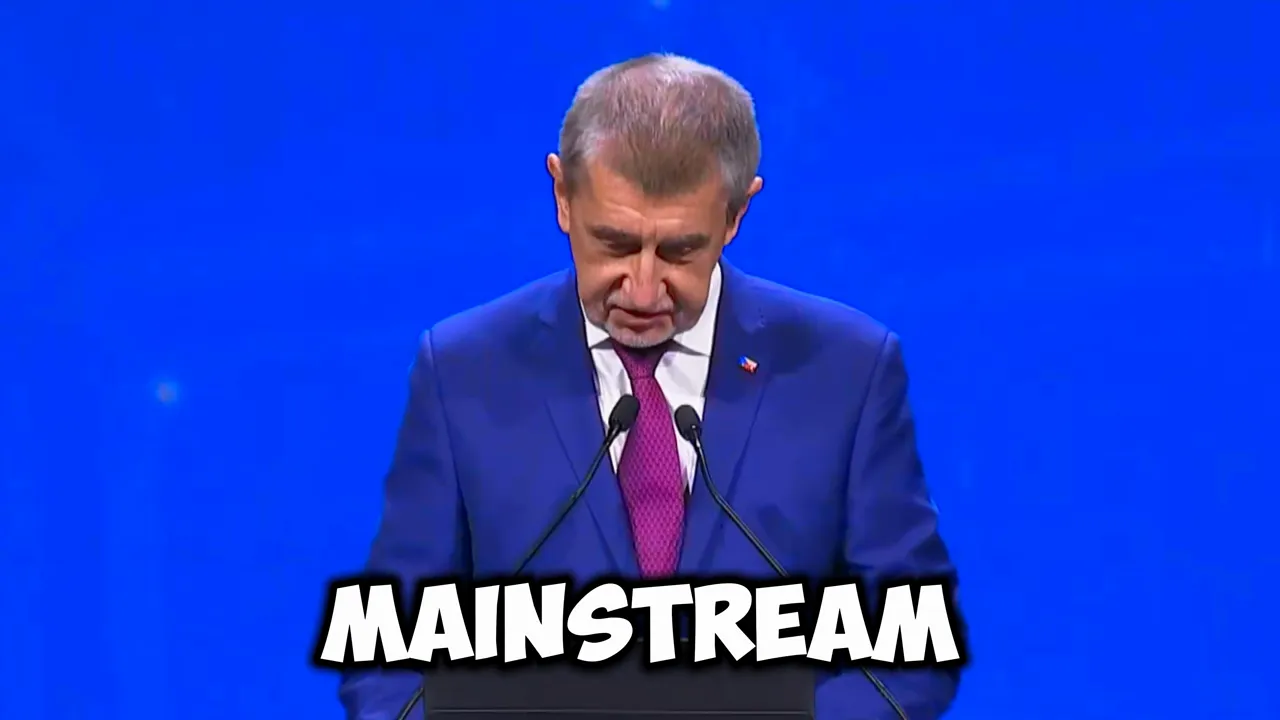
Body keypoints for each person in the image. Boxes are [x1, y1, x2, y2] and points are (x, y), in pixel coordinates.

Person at [339, 54, 962, 719]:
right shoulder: (463, 370)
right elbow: (389, 649)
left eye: (678, 251)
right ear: (562, 195)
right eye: (614, 244)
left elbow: (910, 647)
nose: (641, 289)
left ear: (736, 213)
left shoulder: (847, 370)